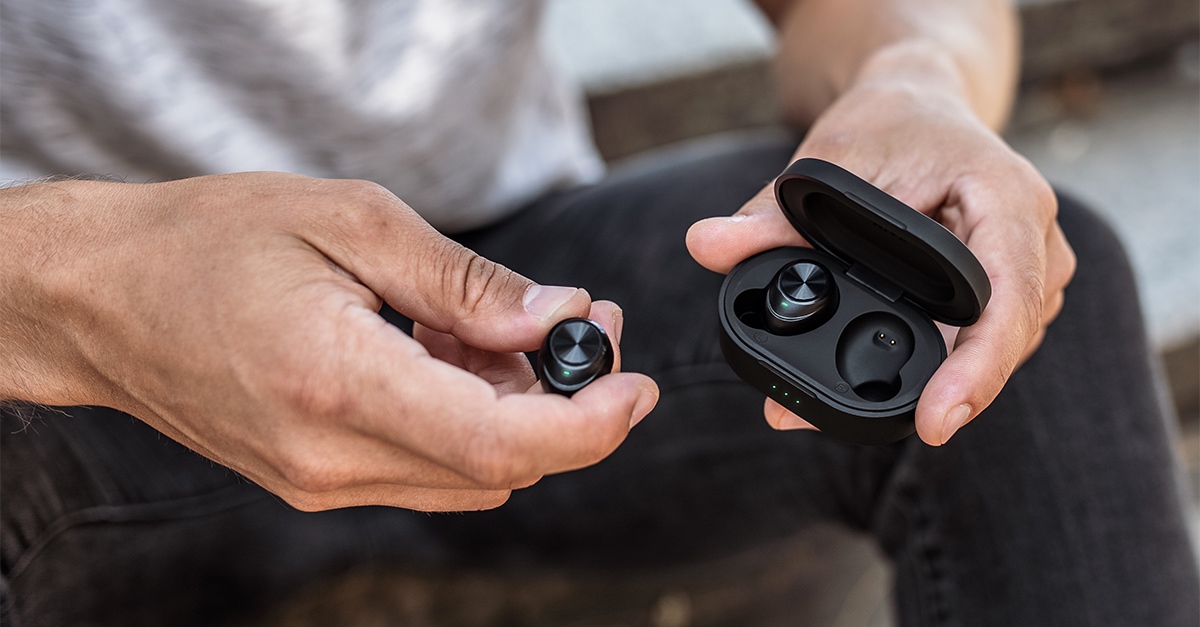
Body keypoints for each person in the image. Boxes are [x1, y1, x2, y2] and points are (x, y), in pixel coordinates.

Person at [1, 0, 1196, 625]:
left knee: (1020, 323)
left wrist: (912, 74)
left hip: (520, 280)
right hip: (65, 354)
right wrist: (72, 292)